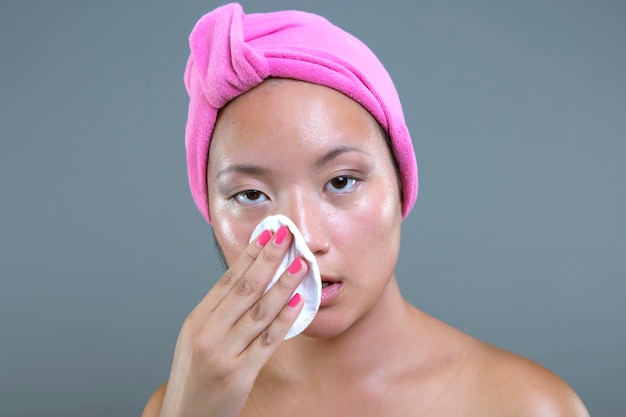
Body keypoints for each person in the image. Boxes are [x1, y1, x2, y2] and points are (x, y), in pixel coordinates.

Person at [143, 3, 590, 416]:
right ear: (209, 210)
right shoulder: (182, 405)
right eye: (251, 195)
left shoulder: (528, 406)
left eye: (341, 182)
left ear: (401, 184)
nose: (307, 240)